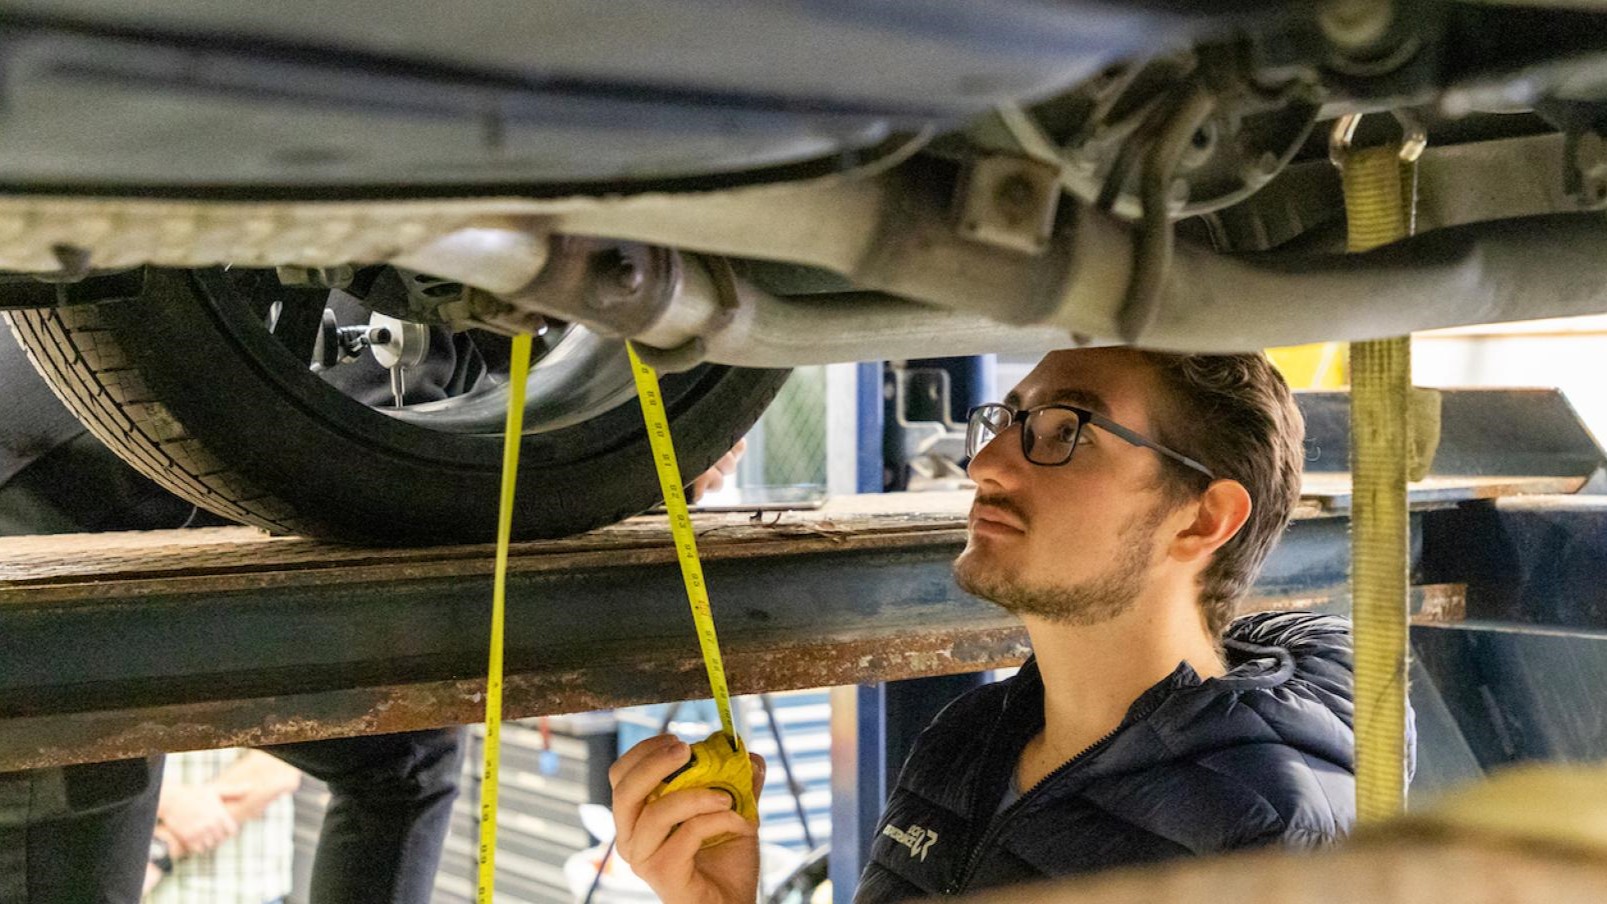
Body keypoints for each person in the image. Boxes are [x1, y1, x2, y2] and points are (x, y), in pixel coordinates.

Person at [609, 348, 1389, 903]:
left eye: (1066, 431)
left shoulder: (1260, 842)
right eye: (1007, 420)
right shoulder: (969, 737)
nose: (983, 463)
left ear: (1200, 519)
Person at [143, 748, 303, 903]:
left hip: (245, 887)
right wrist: (171, 800)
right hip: (141, 889)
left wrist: (165, 844)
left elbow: (280, 768)